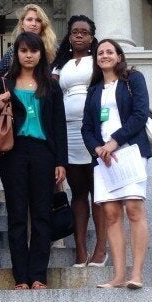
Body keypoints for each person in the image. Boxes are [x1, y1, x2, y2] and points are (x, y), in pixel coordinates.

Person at [0, 31, 66, 290]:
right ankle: (21, 277)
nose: (29, 55)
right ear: (16, 53)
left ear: (41, 54)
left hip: (43, 152)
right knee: (17, 215)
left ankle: (39, 275)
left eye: (34, 51)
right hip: (13, 153)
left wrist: (61, 161)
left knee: (41, 215)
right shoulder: (5, 83)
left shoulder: (50, 85)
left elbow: (58, 125)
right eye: (24, 51)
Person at [81, 39, 152, 290]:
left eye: (109, 52)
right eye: (100, 53)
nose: (104, 56)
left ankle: (137, 274)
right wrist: (99, 149)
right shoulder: (94, 90)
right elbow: (87, 127)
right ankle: (118, 276)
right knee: (111, 214)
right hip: (104, 159)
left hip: (130, 151)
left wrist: (113, 143)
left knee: (134, 209)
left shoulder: (133, 80)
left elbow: (140, 114)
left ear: (119, 56)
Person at [52, 15, 107, 267]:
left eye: (85, 32)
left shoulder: (98, 61)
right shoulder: (60, 64)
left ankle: (100, 249)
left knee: (98, 192)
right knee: (78, 193)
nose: (79, 36)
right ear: (69, 36)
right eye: (75, 32)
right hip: (68, 131)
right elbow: (52, 94)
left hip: (94, 130)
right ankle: (80, 250)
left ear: (92, 37)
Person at [0, 4, 58, 76]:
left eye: (38, 20)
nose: (34, 24)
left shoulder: (53, 49)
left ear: (43, 24)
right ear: (22, 24)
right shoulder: (13, 50)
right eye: (29, 19)